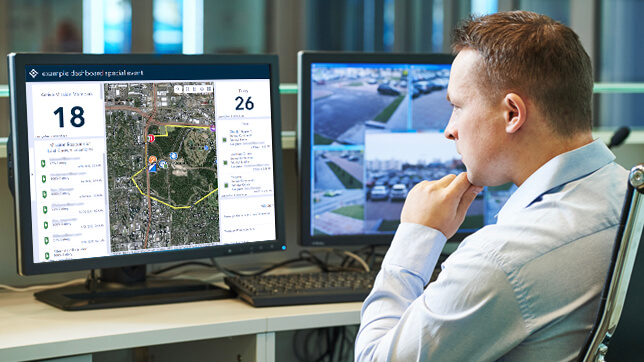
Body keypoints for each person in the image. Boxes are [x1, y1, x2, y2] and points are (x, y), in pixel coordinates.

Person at [355, 10, 629, 361]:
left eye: (457, 106)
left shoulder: (501, 259)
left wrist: (415, 237)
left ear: (513, 114)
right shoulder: (628, 196)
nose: (449, 129)